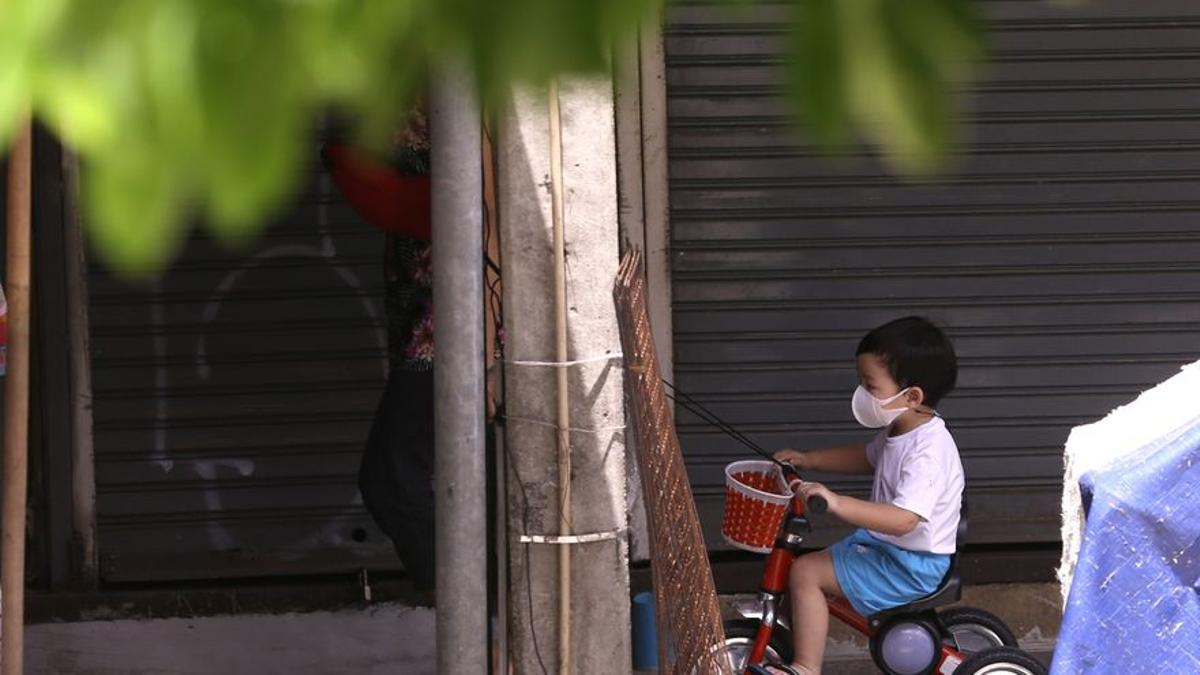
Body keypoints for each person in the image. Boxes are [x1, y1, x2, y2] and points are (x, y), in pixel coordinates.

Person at [769, 316, 964, 675]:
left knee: (806, 574)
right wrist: (810, 460)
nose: (862, 394)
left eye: (870, 386)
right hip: (888, 548)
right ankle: (790, 640)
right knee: (805, 570)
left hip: (910, 564)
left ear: (912, 396)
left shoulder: (929, 452)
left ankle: (805, 667)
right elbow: (865, 457)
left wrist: (837, 502)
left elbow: (904, 520)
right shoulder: (901, 428)